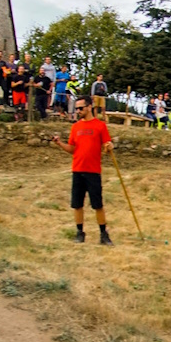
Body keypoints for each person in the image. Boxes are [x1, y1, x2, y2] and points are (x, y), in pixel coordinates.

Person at [49, 99, 114, 246]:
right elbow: (72, 149)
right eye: (76, 109)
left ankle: (103, 234)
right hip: (77, 170)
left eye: (80, 108)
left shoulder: (100, 126)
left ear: (89, 107)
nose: (78, 111)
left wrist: (109, 146)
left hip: (93, 171)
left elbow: (107, 144)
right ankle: (80, 233)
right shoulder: (75, 127)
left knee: (98, 205)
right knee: (77, 204)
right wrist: (59, 144)